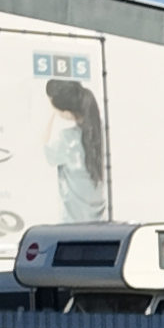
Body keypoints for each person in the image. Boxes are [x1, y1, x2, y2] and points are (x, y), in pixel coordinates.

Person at [43, 79, 106, 222]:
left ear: (67, 114)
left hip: (73, 225)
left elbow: (45, 150)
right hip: (102, 224)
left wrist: (48, 116)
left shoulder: (67, 140)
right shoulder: (103, 133)